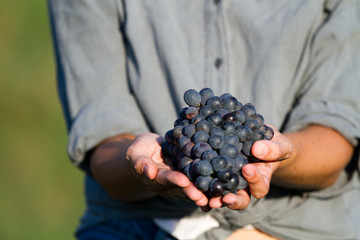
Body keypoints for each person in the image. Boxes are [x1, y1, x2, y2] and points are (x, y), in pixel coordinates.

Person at [48, 0, 360, 239]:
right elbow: (104, 141)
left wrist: (281, 157)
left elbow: (334, 135)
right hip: (133, 224)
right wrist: (144, 167)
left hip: (297, 226)